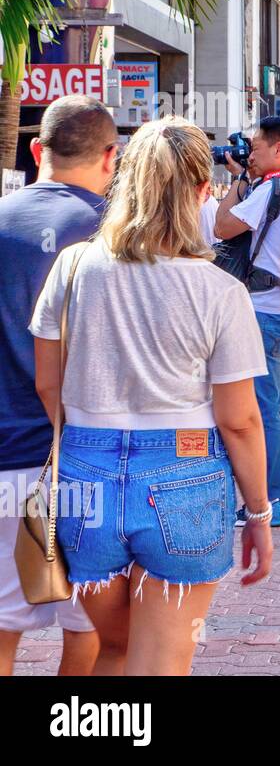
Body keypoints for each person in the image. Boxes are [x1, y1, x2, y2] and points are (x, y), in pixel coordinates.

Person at [31, 117, 272, 676]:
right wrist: (258, 512)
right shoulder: (220, 291)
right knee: (161, 660)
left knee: (113, 650)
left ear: (126, 178)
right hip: (185, 474)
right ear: (203, 191)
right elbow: (239, 421)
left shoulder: (73, 267)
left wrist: (87, 435)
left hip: (85, 474)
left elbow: (48, 382)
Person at [0, 96, 115, 676]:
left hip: (4, 455)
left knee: (0, 631)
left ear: (37, 150)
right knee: (90, 629)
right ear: (110, 156)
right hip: (87, 458)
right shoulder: (115, 234)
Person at [213, 117, 280, 528]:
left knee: (265, 407)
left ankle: (269, 500)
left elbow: (223, 227)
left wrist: (239, 182)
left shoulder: (272, 188)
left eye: (256, 149)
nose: (251, 156)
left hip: (270, 309)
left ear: (279, 149)